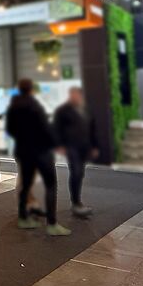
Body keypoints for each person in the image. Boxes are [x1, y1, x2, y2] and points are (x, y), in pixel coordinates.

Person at [6, 79, 71, 236]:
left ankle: (23, 218)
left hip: (23, 151)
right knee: (51, 185)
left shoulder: (13, 107)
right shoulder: (35, 106)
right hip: (41, 152)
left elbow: (10, 129)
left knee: (25, 185)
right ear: (31, 90)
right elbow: (45, 128)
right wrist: (56, 144)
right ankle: (52, 224)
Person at [54, 87, 97, 218]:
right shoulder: (62, 111)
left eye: (77, 95)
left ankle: (77, 201)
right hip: (71, 146)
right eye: (72, 94)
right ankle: (76, 203)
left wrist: (94, 146)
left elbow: (92, 129)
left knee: (80, 173)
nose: (74, 97)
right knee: (76, 172)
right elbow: (56, 128)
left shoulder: (86, 110)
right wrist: (59, 145)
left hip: (84, 146)